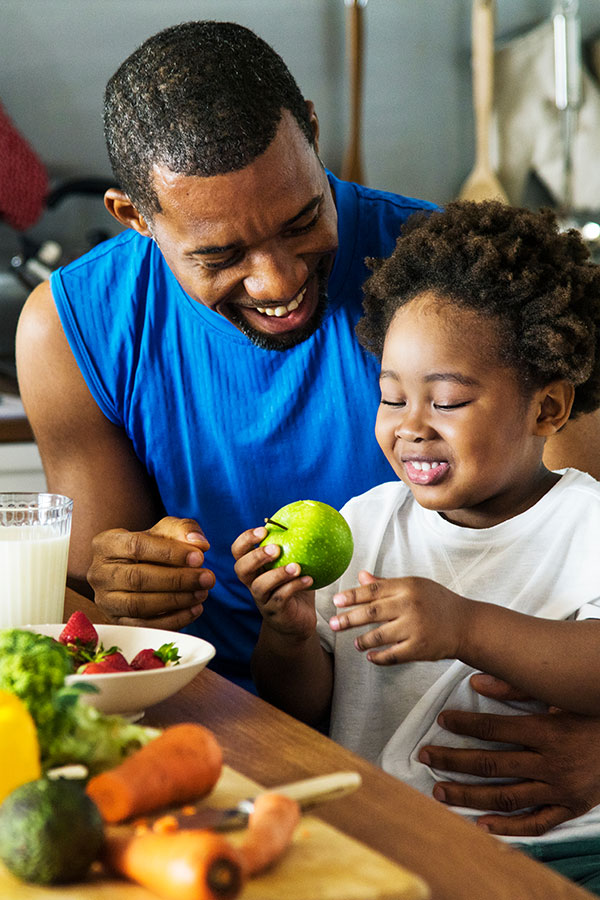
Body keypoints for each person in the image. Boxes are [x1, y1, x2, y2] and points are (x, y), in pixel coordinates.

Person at [15, 21, 600, 838]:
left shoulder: (457, 293)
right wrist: (124, 584)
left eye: (300, 220)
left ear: (314, 136)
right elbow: (100, 620)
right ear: (131, 217)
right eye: (220, 255)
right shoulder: (71, 330)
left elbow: (576, 529)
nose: (281, 280)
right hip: (210, 743)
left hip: (474, 778)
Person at [233, 200, 600, 891]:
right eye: (392, 397)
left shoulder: (586, 526)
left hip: (552, 854)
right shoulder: (368, 523)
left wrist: (465, 625)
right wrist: (285, 635)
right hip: (377, 842)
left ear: (546, 409)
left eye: (449, 402)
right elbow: (303, 710)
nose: (412, 427)